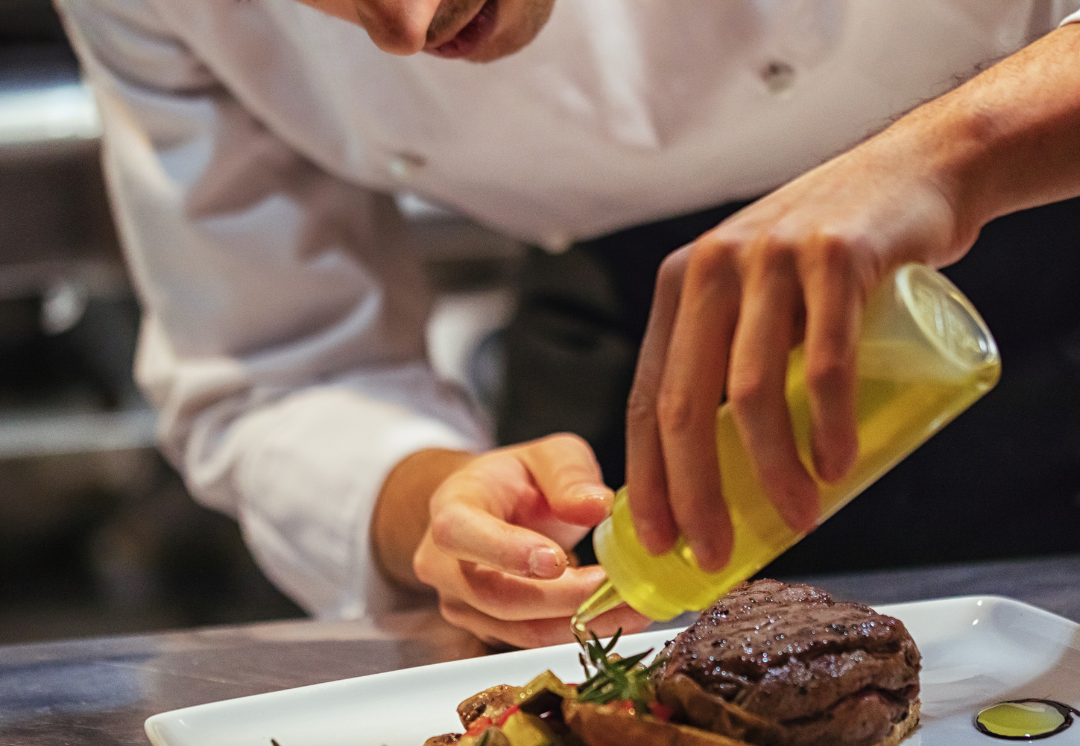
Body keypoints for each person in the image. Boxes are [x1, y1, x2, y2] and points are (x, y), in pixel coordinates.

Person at [60, 0, 1080, 646]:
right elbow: (277, 366)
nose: (408, 27)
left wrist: (951, 159)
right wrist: (433, 505)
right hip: (630, 368)